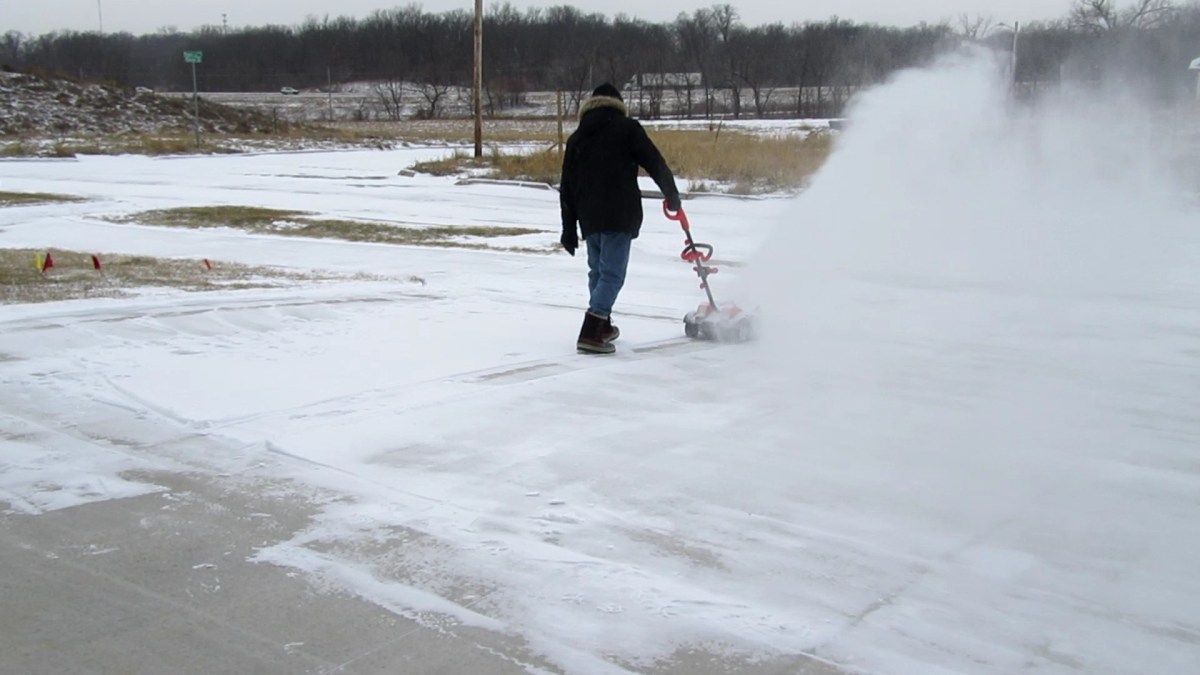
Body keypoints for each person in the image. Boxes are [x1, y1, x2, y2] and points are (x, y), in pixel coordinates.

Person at [559, 82, 682, 354]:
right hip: (618, 213)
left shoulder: (577, 138)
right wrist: (672, 195)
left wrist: (568, 228)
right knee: (612, 274)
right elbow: (655, 162)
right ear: (618, 104)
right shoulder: (627, 129)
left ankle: (602, 324)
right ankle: (592, 330)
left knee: (599, 272)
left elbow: (566, 185)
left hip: (588, 217)